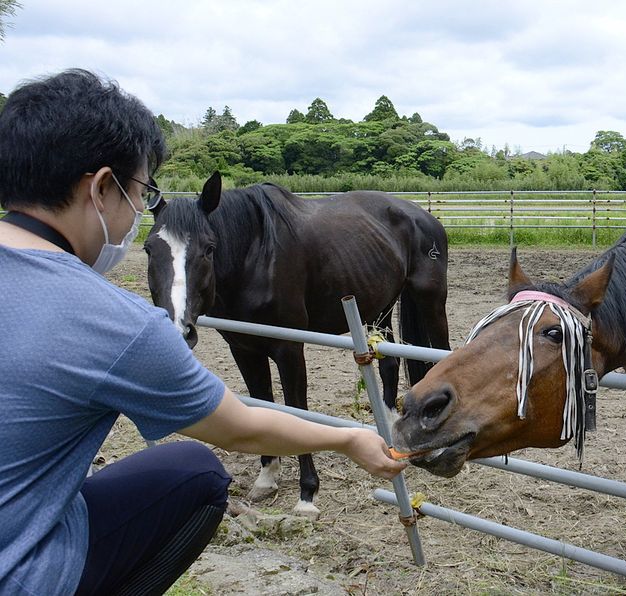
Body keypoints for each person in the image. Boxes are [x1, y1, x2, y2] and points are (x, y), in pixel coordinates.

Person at [0, 69, 407, 596]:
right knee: (196, 470)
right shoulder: (114, 323)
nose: (136, 216)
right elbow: (237, 427)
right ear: (102, 188)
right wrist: (349, 436)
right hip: (24, 576)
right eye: (142, 194)